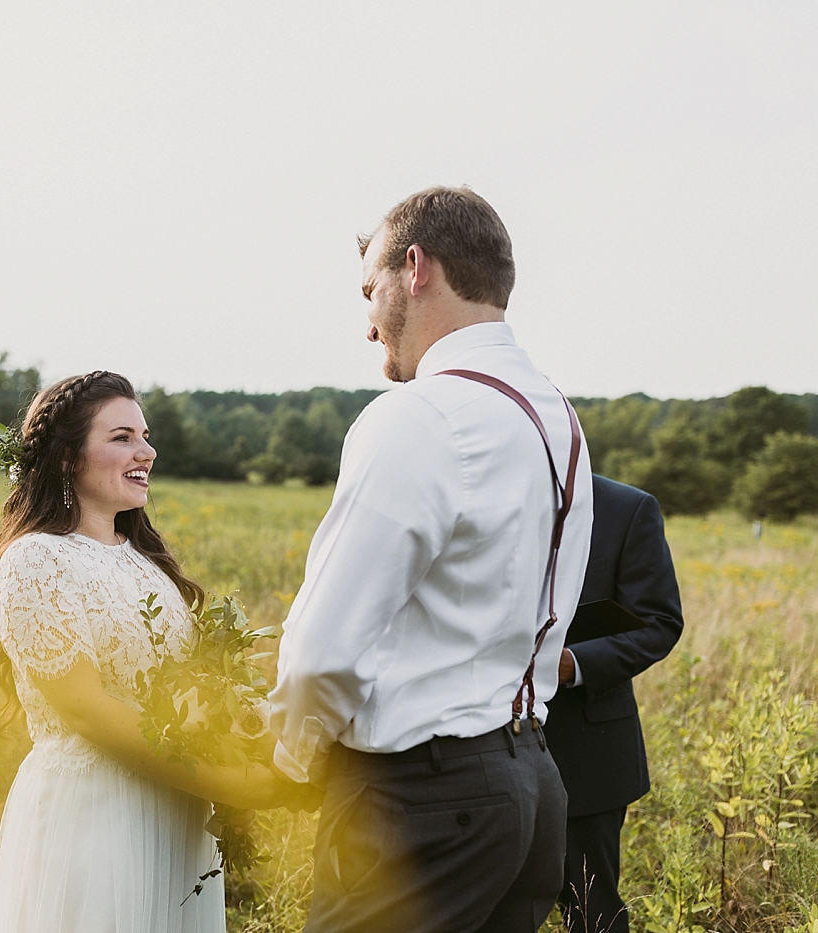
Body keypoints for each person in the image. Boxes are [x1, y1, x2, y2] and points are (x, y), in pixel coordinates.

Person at [269, 186, 594, 932]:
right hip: (531, 783)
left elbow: (322, 649)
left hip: (418, 797)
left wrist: (289, 758)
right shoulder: (556, 416)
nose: (368, 325)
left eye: (369, 291)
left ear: (415, 267)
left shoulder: (421, 416)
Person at [0, 371, 299, 933]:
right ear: (68, 457)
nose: (146, 450)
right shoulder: (35, 562)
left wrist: (251, 739)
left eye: (144, 436)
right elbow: (84, 709)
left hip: (175, 814)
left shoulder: (148, 564)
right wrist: (227, 782)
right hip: (95, 816)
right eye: (121, 437)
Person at [545, 474, 684, 933]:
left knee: (592, 912)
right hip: (474, 749)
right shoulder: (472, 495)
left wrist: (572, 663)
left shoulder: (628, 507)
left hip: (586, 751)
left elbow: (659, 623)